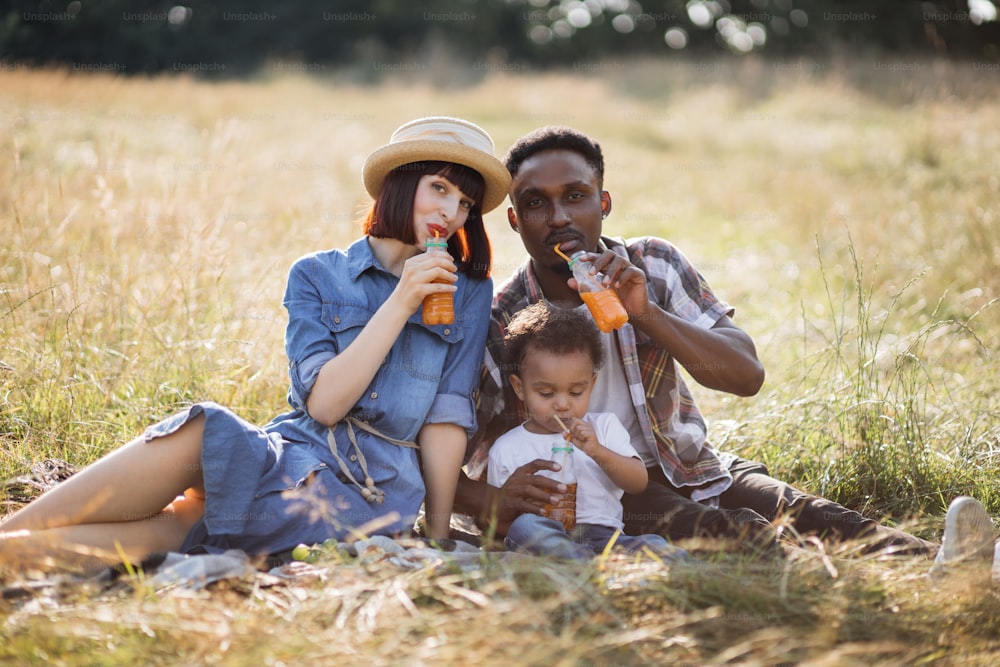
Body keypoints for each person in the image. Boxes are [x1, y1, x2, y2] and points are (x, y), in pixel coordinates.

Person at [0, 116, 511, 571]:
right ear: (400, 183)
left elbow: (445, 419)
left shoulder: (466, 290)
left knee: (187, 524)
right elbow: (324, 403)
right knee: (205, 429)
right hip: (286, 450)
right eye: (439, 188)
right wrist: (402, 300)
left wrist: (438, 537)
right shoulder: (317, 274)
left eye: (464, 202)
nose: (452, 211)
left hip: (359, 492)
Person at [455, 124, 957, 560]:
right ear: (515, 219)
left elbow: (746, 377)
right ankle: (784, 574)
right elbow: (446, 448)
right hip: (598, 485)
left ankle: (952, 562)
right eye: (536, 203)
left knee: (810, 512)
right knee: (716, 533)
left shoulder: (651, 263)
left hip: (688, 462)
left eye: (576, 196)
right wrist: (489, 502)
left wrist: (647, 313)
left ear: (603, 203)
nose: (559, 217)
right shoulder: (502, 318)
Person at [487, 302, 689, 562]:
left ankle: (588, 566)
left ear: (591, 384)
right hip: (544, 538)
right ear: (519, 388)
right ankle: (589, 567)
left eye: (575, 392)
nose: (562, 404)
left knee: (654, 546)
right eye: (546, 393)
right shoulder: (506, 448)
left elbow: (638, 483)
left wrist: (598, 451)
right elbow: (497, 522)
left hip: (605, 539)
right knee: (525, 528)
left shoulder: (604, 427)